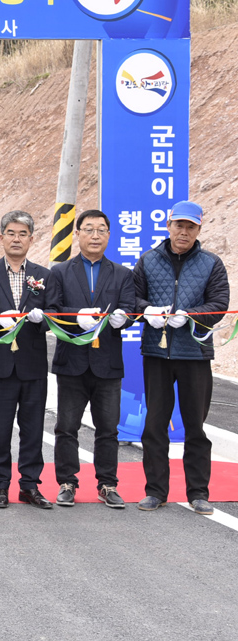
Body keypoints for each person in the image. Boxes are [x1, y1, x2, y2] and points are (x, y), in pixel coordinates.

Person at [133, 201, 230, 515]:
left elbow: (218, 303)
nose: (184, 232)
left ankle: (198, 492)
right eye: (179, 225)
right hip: (157, 353)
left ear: (199, 229)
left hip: (195, 354)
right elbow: (133, 297)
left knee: (195, 427)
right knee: (154, 425)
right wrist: (147, 310)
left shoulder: (211, 263)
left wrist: (191, 315)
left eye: (191, 227)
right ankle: (155, 492)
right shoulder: (147, 260)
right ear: (168, 226)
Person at [46, 209, 135, 509]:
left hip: (107, 363)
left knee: (108, 429)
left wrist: (124, 318)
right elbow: (52, 312)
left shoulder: (123, 274)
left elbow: (129, 310)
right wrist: (76, 319)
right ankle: (67, 483)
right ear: (77, 234)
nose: (95, 235)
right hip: (71, 361)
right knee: (66, 426)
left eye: (101, 230)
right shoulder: (59, 272)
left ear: (109, 235)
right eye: (88, 229)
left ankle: (107, 484)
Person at [0, 211, 52, 509]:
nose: (16, 239)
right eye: (11, 233)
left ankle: (30, 485)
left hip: (33, 366)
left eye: (23, 234)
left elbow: (54, 314)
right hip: (0, 364)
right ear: (1, 236)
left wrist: (41, 319)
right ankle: (0, 485)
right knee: (0, 428)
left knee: (33, 429)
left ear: (31, 239)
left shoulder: (44, 275)